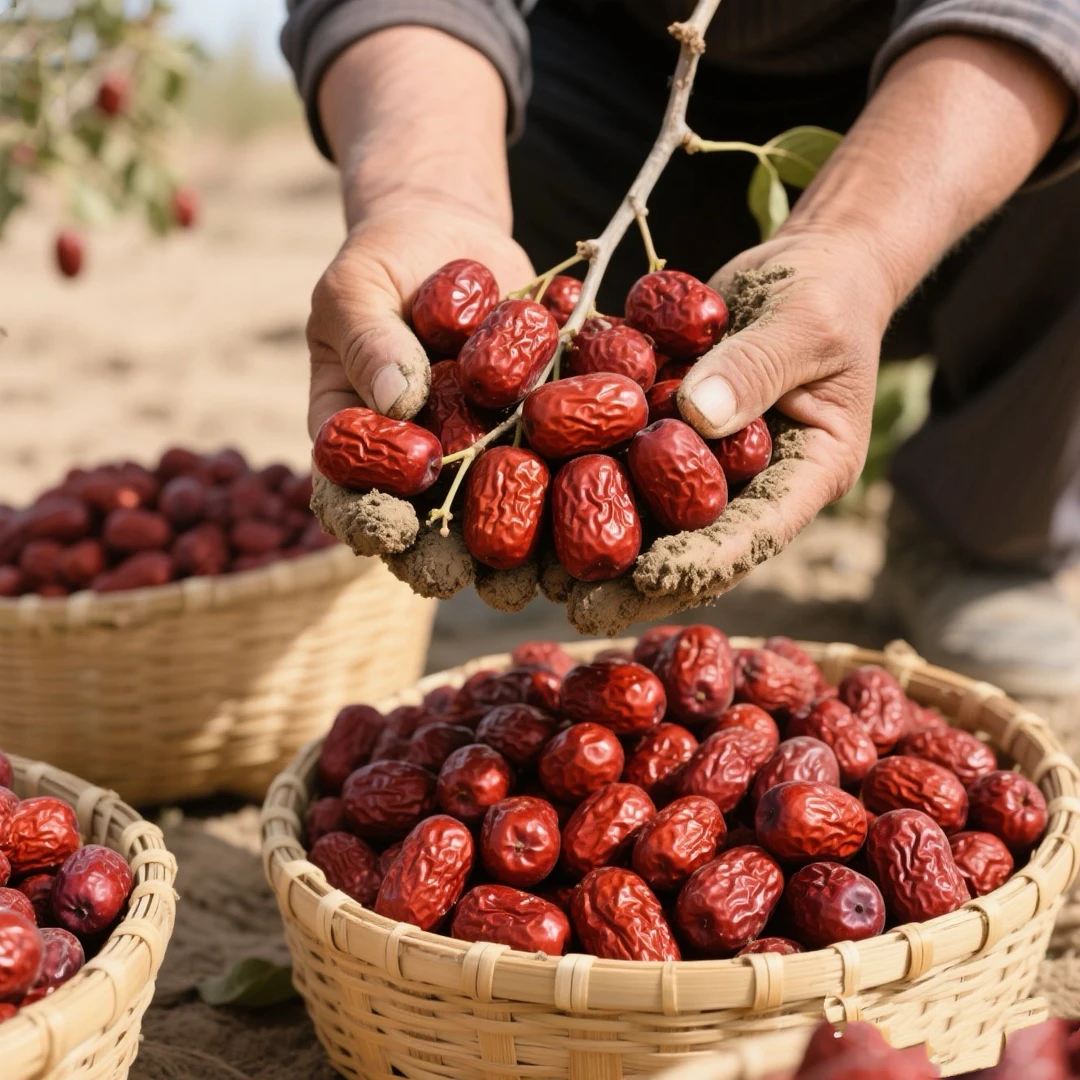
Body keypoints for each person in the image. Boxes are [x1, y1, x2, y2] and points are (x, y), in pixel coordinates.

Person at [281, 0, 1080, 696]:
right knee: (502, 266)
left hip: (929, 124)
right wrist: (426, 192)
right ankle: (502, 505)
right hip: (594, 98)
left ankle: (985, 534)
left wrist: (860, 242)